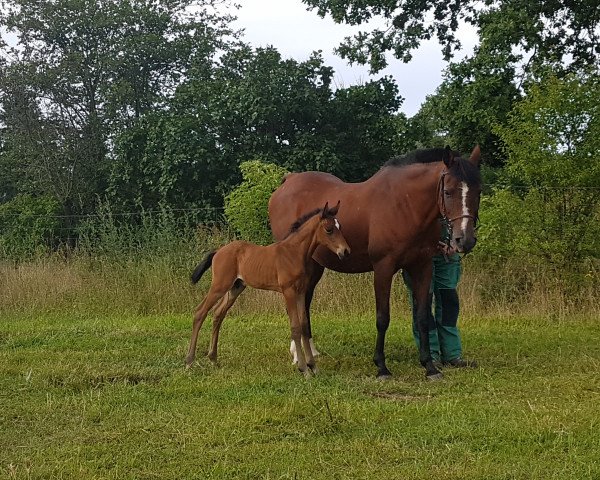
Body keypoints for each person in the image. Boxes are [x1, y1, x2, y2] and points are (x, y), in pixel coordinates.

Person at [402, 243, 477, 368]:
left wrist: (457, 244)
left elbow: (466, 225)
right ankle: (430, 354)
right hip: (419, 255)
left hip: (448, 256)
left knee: (448, 303)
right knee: (423, 303)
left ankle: (452, 354)